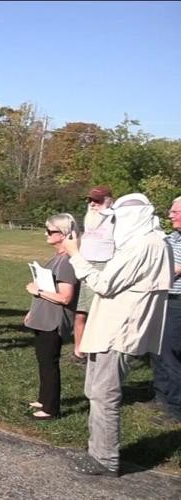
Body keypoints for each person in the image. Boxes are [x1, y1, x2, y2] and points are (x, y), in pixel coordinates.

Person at [63, 193, 173, 477]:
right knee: (95, 391)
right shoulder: (154, 241)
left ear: (132, 219)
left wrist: (76, 254)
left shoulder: (143, 245)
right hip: (114, 324)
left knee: (104, 394)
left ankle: (105, 459)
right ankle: (97, 450)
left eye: (118, 219)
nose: (115, 225)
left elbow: (103, 283)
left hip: (119, 328)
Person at [23, 214, 79, 420]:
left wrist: (37, 292)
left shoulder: (66, 262)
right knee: (43, 361)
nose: (46, 234)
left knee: (49, 363)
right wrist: (33, 311)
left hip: (53, 321)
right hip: (44, 317)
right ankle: (44, 399)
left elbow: (65, 297)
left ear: (63, 234)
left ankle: (50, 409)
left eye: (50, 231)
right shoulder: (57, 257)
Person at [72, 186, 115, 363]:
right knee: (80, 311)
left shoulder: (115, 216)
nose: (92, 204)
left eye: (96, 200)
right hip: (84, 262)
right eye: (89, 200)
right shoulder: (89, 216)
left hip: (103, 264)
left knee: (99, 312)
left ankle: (98, 351)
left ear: (108, 200)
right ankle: (78, 351)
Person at [151, 196, 181, 426]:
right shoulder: (172, 238)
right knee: (156, 348)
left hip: (177, 301)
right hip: (162, 297)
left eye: (175, 211)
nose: (170, 215)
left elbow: (172, 269)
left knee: (171, 352)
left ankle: (175, 407)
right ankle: (161, 396)